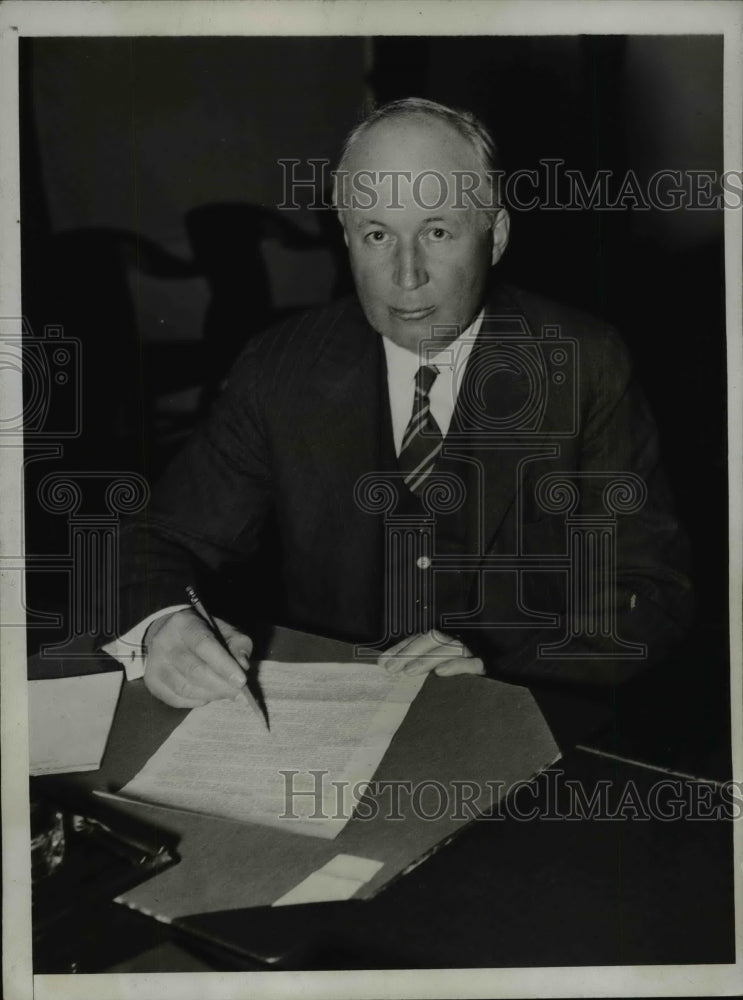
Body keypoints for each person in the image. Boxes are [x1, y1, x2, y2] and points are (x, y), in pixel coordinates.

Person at [103, 97, 693, 708]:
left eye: (437, 232)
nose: (407, 276)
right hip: (334, 722)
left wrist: (498, 672)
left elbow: (652, 592)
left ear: (495, 235)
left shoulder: (584, 363)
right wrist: (164, 624)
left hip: (524, 721)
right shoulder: (280, 367)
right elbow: (155, 537)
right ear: (346, 237)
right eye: (378, 234)